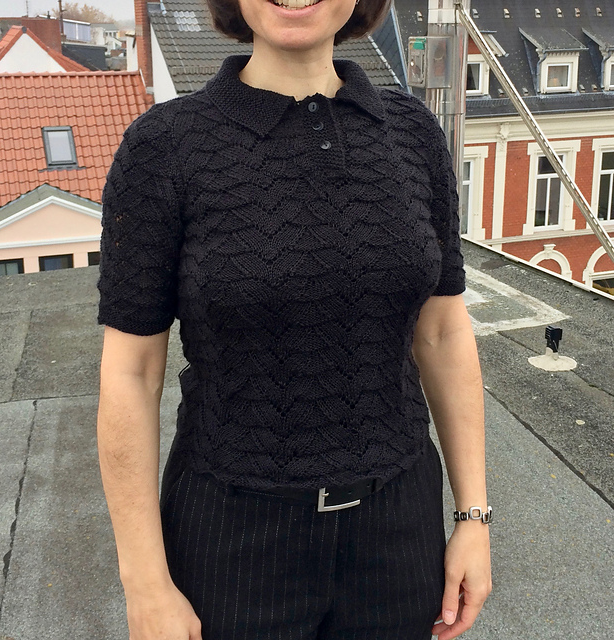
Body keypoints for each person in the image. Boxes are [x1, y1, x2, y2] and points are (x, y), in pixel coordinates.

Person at [96, 0, 492, 637]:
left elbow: (443, 331)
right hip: (231, 541)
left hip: (399, 533)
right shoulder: (164, 147)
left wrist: (474, 517)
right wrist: (144, 579)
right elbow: (130, 374)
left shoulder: (412, 133)